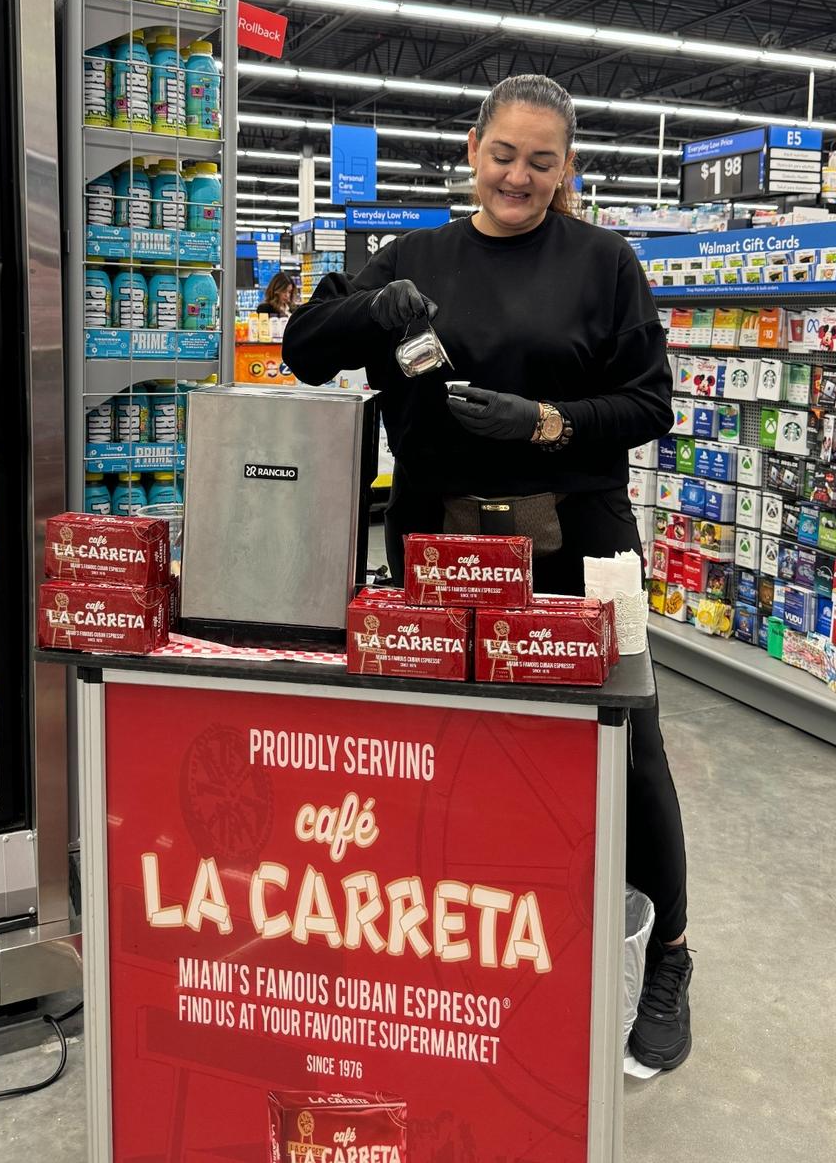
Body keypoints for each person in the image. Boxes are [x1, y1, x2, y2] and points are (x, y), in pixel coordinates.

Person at [284, 73, 693, 1071]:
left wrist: (548, 421)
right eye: (504, 154)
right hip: (436, 538)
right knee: (452, 744)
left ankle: (669, 957)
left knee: (626, 743)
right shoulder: (414, 254)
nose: (519, 176)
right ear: (472, 150)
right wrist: (371, 306)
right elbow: (302, 350)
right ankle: (475, 948)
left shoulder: (605, 262)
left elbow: (650, 405)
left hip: (582, 541)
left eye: (542, 161)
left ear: (567, 168)